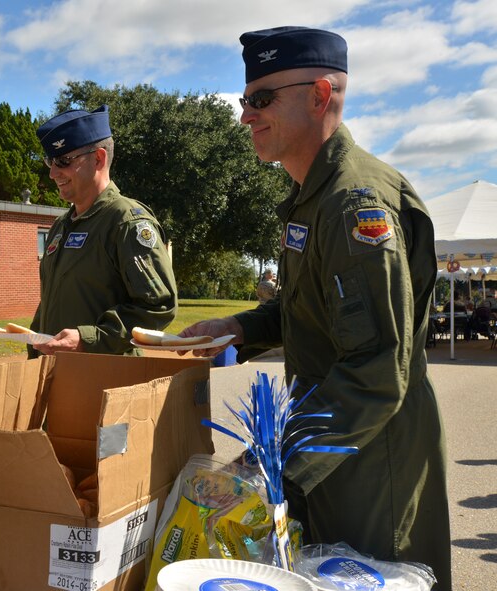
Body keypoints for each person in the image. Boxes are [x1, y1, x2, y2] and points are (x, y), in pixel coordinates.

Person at [179, 27, 451, 589]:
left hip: (373, 463)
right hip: (332, 451)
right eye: (244, 101)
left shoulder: (354, 203)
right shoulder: (313, 197)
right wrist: (238, 327)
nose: (245, 116)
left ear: (320, 95)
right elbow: (306, 308)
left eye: (262, 99)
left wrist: (273, 463)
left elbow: (377, 368)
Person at [29, 105, 178, 357]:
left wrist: (90, 338)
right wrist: (35, 346)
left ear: (98, 158)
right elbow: (52, 301)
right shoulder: (61, 225)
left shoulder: (126, 221)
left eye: (64, 161)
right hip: (59, 375)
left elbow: (158, 305)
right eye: (50, 162)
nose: (53, 173)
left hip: (106, 377)